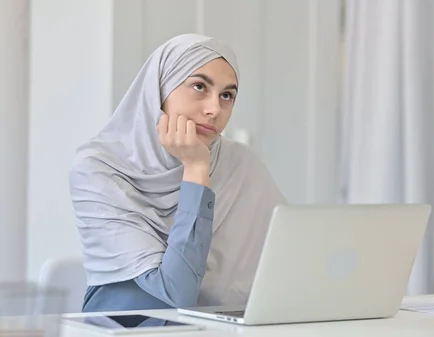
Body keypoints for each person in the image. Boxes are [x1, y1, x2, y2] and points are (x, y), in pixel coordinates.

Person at [68, 34, 285, 312]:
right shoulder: (98, 167)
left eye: (227, 95)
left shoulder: (241, 163)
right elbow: (174, 296)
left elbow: (291, 265)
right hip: (128, 328)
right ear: (159, 89)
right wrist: (196, 169)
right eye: (198, 86)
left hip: (216, 329)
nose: (214, 109)